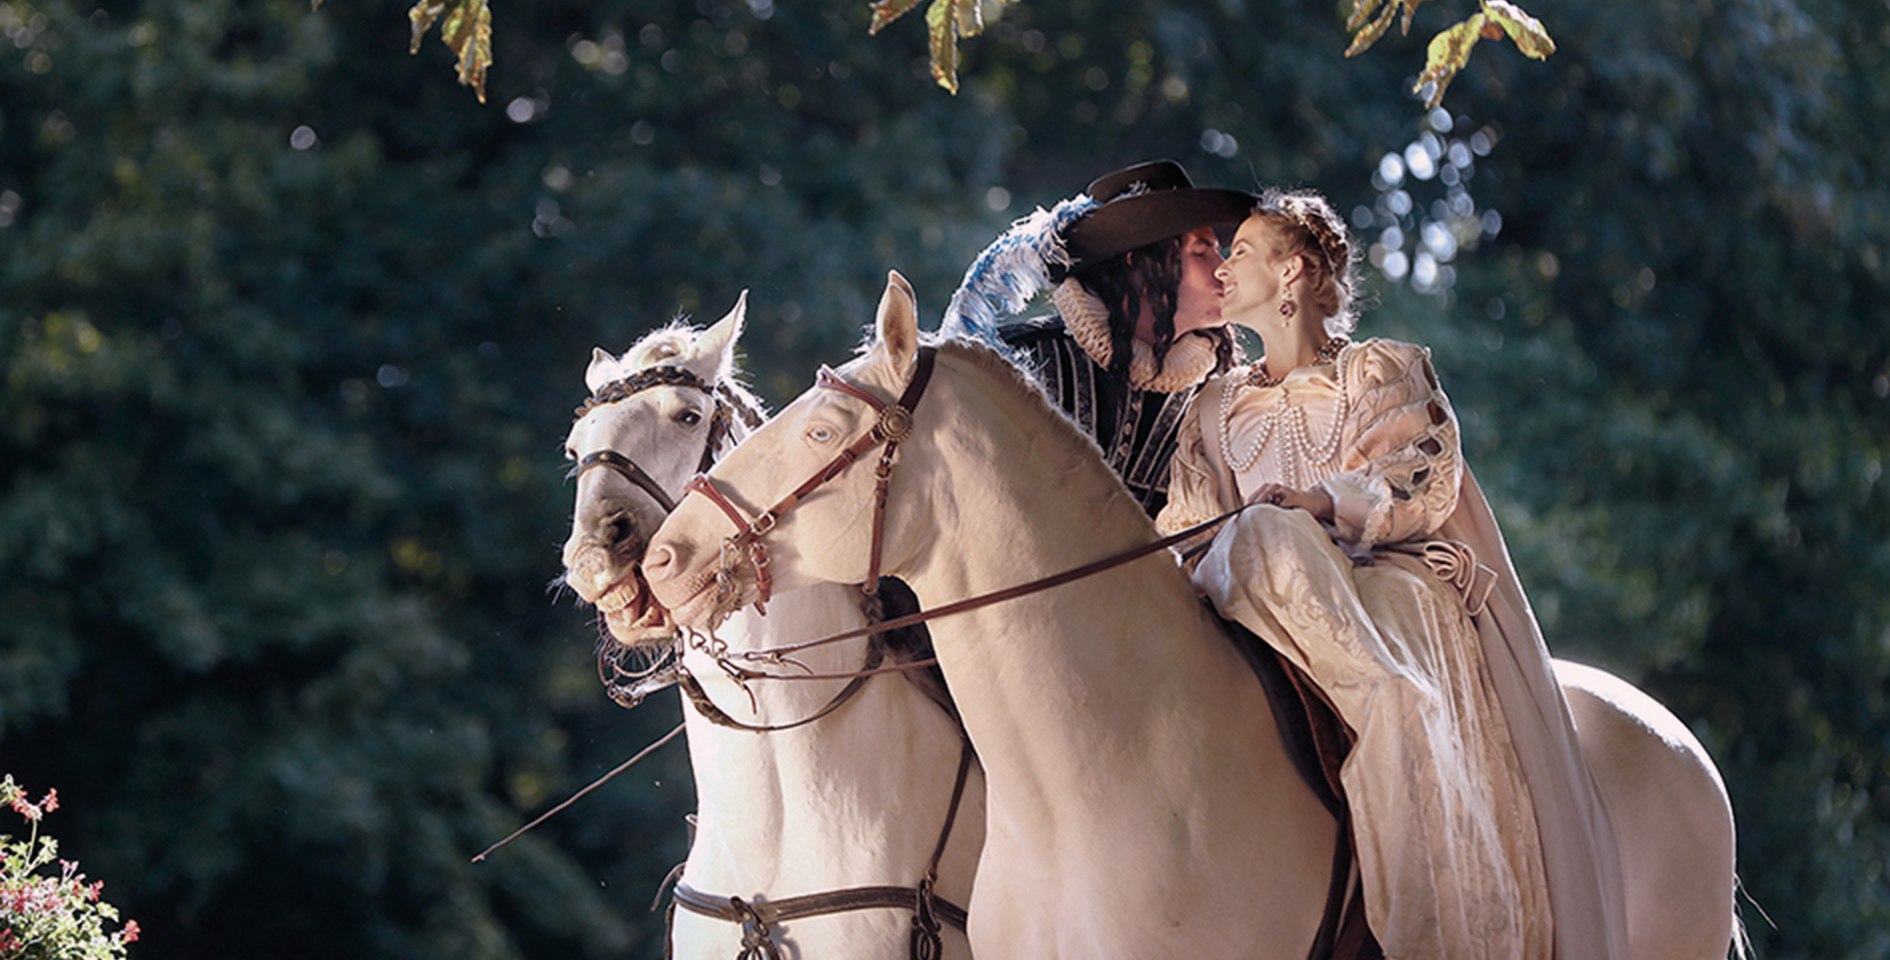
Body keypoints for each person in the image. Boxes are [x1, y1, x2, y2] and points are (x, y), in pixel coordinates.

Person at [1156, 189, 1630, 959]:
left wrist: (1316, 502)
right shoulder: (1211, 408)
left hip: (1375, 587)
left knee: (1281, 539)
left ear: (1294, 272)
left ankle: (1434, 884)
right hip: (1256, 596)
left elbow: (1422, 476)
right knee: (1254, 548)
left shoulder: (1379, 370)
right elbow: (1186, 527)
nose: (1223, 263)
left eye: (1240, 249)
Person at [942, 160, 1256, 516]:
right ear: (1140, 267)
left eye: (1219, 251)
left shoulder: (1220, 401)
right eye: (1202, 251)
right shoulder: (1018, 364)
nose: (1224, 268)